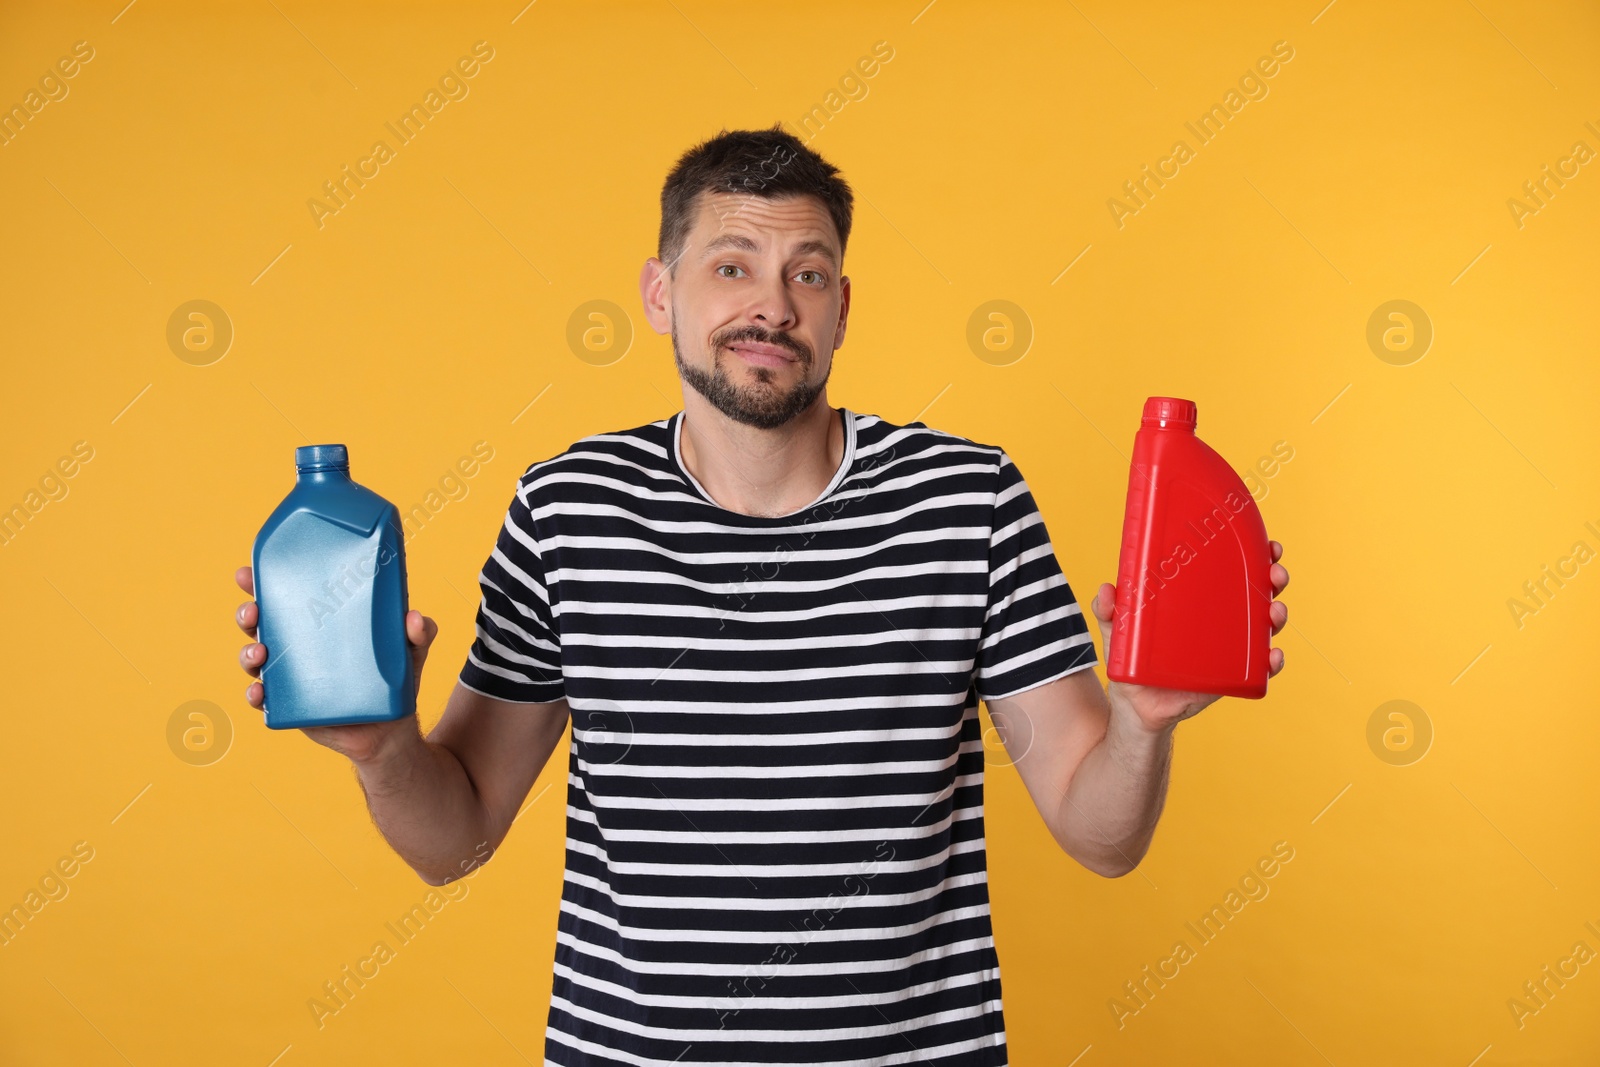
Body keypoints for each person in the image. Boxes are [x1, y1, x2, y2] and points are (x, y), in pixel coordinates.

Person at [232, 124, 1289, 1065]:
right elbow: (453, 839)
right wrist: (382, 749)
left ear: (841, 307)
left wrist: (1144, 722)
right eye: (730, 265)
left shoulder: (967, 499)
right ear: (660, 295)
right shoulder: (567, 509)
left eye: (807, 273)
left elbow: (1101, 834)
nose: (769, 307)